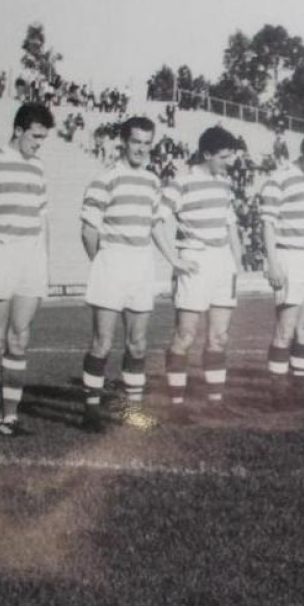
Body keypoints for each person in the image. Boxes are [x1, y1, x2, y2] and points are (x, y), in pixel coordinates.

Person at [79, 116, 195, 432]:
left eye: (147, 143)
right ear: (123, 142)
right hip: (111, 262)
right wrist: (101, 262)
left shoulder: (152, 181)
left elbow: (154, 226)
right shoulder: (105, 179)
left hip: (141, 265)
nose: (141, 149)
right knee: (102, 342)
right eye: (135, 142)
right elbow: (88, 230)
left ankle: (132, 410)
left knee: (138, 344)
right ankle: (91, 411)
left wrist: (173, 259)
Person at [0, 102, 55, 437]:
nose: (39, 144)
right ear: (18, 130)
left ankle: (11, 417)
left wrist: (45, 261)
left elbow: (43, 218)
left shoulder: (38, 167)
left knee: (20, 337)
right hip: (0, 252)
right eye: (35, 136)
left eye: (43, 138)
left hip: (32, 256)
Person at [161, 126, 245, 423]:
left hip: (222, 264)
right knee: (185, 335)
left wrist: (237, 260)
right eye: (224, 156)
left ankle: (214, 403)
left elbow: (230, 224)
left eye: (231, 156)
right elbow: (156, 222)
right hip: (194, 261)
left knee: (219, 336)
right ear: (207, 154)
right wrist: (175, 260)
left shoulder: (224, 184)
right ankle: (176, 405)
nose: (230, 162)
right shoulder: (181, 183)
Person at [257, 129, 304, 406]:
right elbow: (267, 224)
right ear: (302, 153)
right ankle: (277, 395)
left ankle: (298, 392)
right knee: (285, 329)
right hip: (289, 257)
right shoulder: (278, 179)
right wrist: (273, 263)